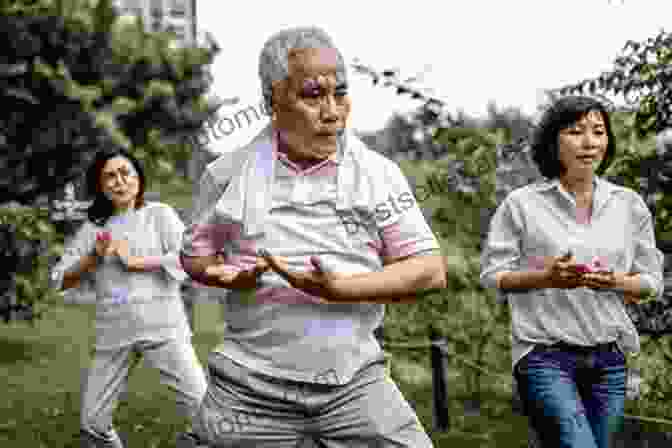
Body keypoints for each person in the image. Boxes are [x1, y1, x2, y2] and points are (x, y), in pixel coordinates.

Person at [178, 26, 446, 448]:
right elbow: (194, 258)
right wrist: (222, 273)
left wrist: (344, 289)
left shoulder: (377, 174)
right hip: (249, 387)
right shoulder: (227, 175)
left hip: (354, 385)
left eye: (340, 93)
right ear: (271, 102)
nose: (332, 111)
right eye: (312, 95)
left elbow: (429, 270)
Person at [481, 95, 664, 448]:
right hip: (544, 356)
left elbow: (651, 282)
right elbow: (493, 275)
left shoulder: (629, 205)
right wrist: (546, 278)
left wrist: (617, 282)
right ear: (553, 140)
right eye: (575, 131)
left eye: (598, 131)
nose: (589, 141)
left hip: (609, 360)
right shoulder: (521, 205)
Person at [49, 148, 208, 448]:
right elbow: (59, 279)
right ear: (100, 185)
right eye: (110, 176)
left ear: (138, 179)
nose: (119, 181)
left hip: (164, 328)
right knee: (93, 424)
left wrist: (138, 262)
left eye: (126, 173)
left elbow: (189, 259)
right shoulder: (93, 229)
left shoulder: (159, 214)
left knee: (204, 412)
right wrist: (92, 258)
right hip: (114, 334)